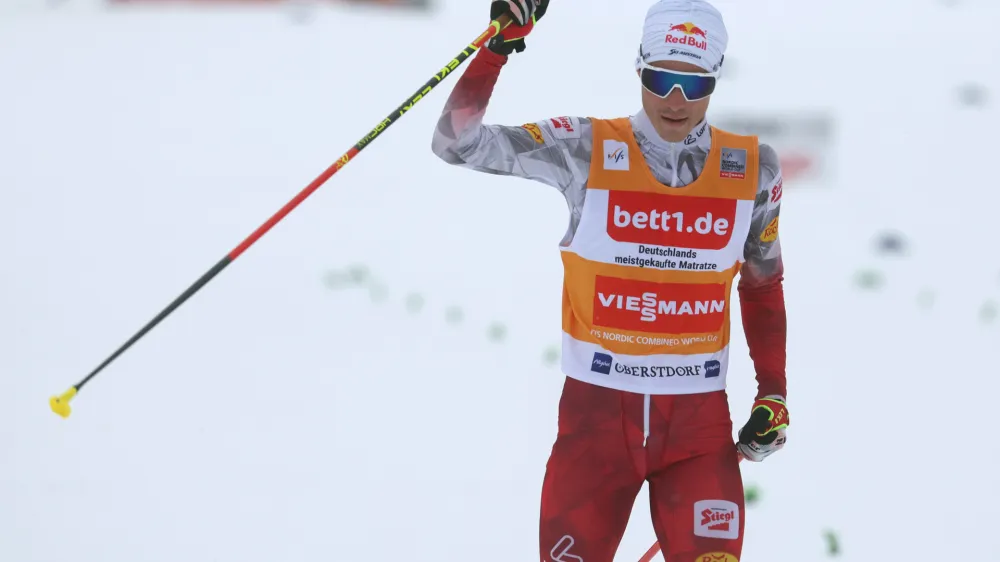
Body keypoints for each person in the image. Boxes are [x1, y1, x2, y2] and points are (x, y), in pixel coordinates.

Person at [431, 1, 789, 560]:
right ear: (641, 67)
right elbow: (457, 144)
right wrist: (497, 48)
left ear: (715, 79)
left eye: (694, 84)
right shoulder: (585, 147)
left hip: (697, 431)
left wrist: (773, 391)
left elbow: (763, 283)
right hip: (596, 425)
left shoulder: (754, 169)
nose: (676, 100)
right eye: (662, 78)